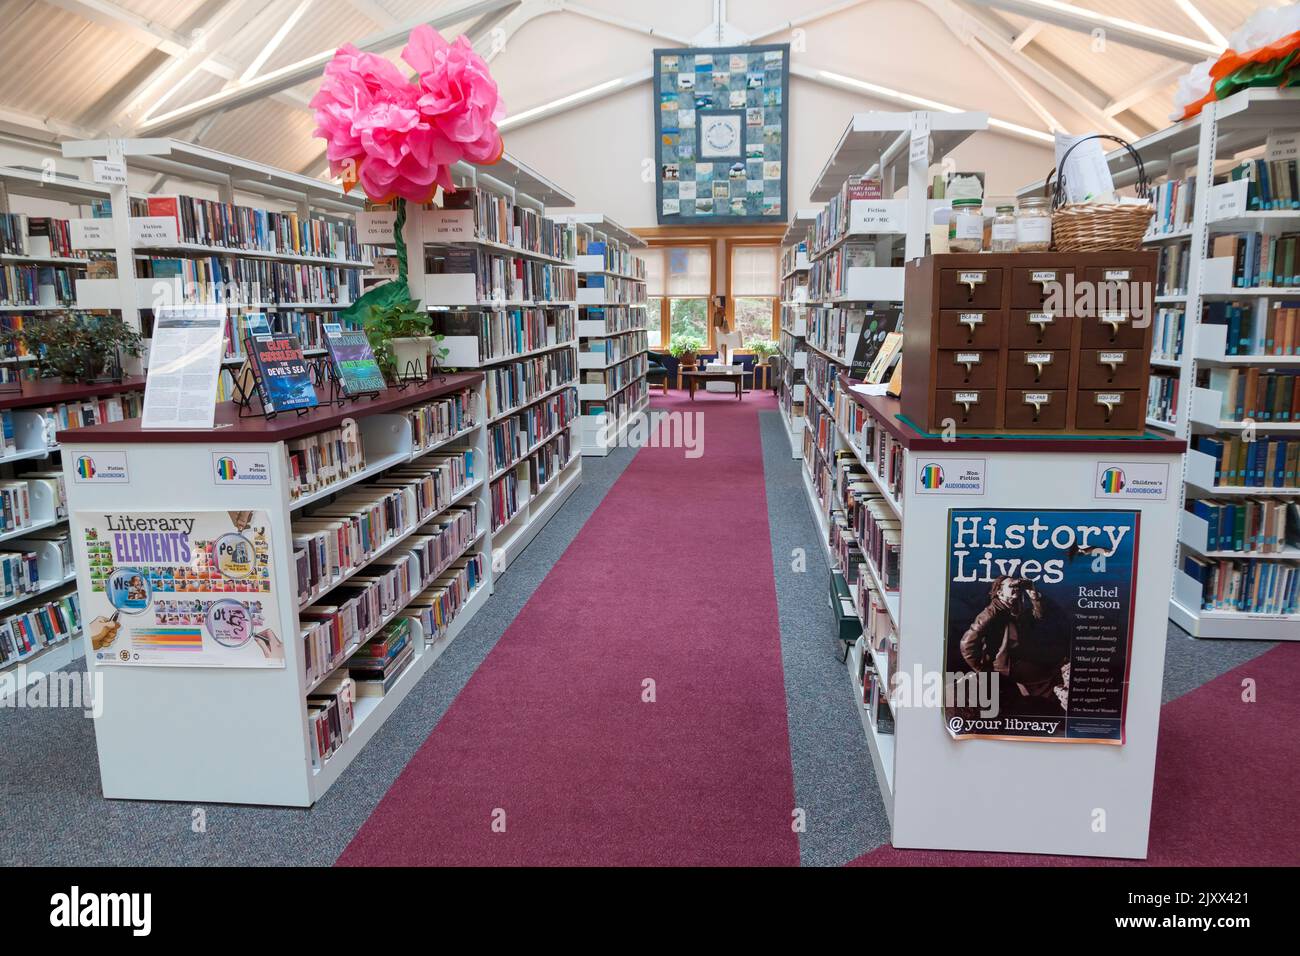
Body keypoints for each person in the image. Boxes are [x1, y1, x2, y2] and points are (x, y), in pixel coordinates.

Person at [959, 575, 1070, 714]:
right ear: (999, 593)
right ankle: (1052, 708)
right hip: (1007, 665)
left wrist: (1034, 596)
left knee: (1057, 659)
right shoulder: (991, 613)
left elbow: (1038, 617)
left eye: (1017, 586)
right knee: (1048, 673)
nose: (1016, 589)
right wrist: (981, 669)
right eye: (1011, 586)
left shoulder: (1014, 606)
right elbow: (966, 643)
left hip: (1020, 656)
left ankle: (1048, 705)